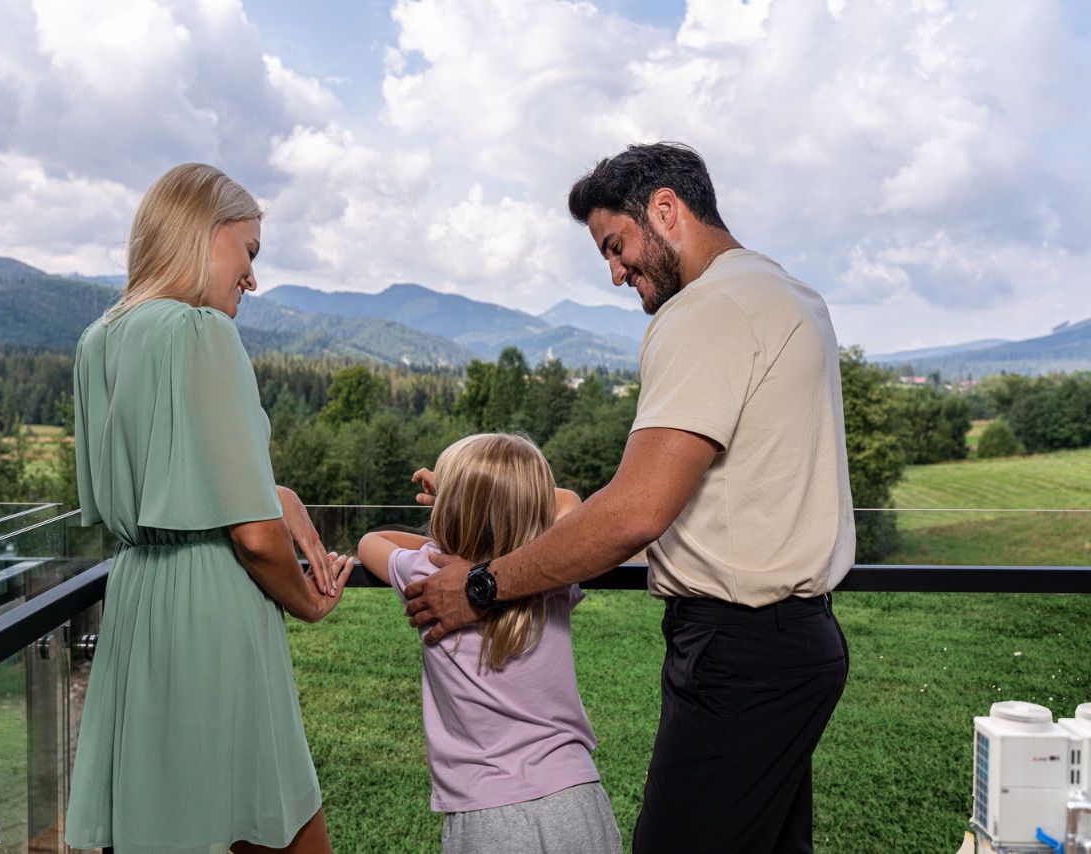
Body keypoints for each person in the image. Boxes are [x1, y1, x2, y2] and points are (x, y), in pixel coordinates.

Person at [403, 143, 854, 853]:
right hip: (802, 644)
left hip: (739, 651)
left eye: (616, 247)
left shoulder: (707, 311)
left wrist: (484, 585)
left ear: (667, 210)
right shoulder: (789, 296)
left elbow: (636, 510)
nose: (615, 274)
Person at [65, 162, 355, 854]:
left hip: (137, 600)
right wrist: (310, 602)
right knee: (272, 815)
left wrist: (273, 490)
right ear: (201, 231)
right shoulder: (202, 335)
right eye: (249, 251)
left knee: (167, 818)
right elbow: (254, 539)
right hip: (212, 610)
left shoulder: (98, 340)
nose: (252, 278)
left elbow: (171, 476)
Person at [358, 434, 622, 854]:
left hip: (487, 812)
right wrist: (506, 493)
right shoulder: (548, 570)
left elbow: (371, 542)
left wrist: (454, 496)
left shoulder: (427, 574)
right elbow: (569, 502)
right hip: (576, 797)